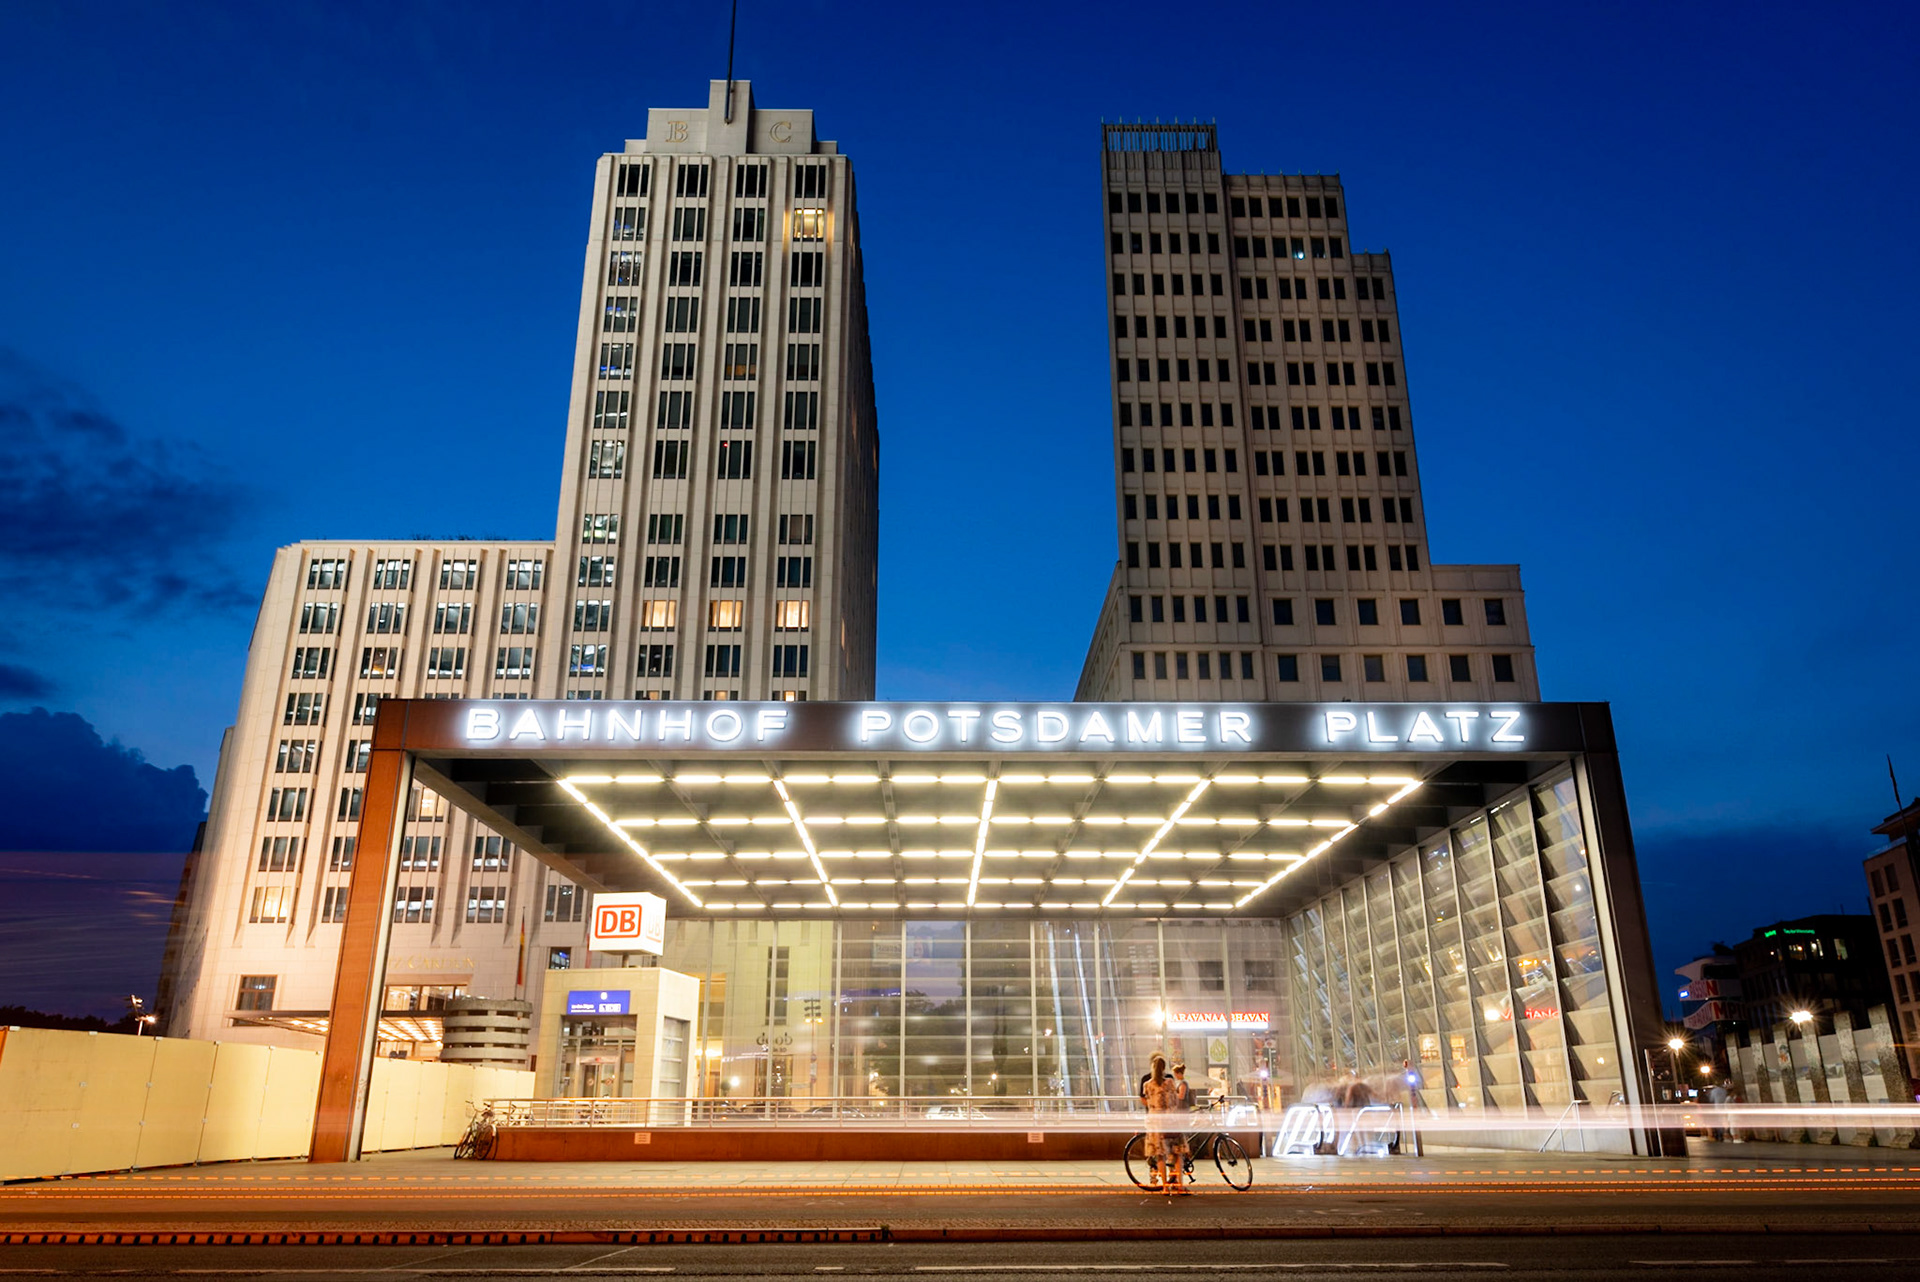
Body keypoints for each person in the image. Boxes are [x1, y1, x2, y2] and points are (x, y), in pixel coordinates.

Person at [1140, 1054, 1190, 1195]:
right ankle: (1180, 1186)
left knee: (1160, 1155)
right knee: (1177, 1154)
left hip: (1155, 1122)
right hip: (1170, 1121)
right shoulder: (1169, 1082)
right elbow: (1174, 1101)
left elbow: (1148, 1102)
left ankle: (1164, 1187)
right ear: (1164, 1068)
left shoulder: (1147, 1085)